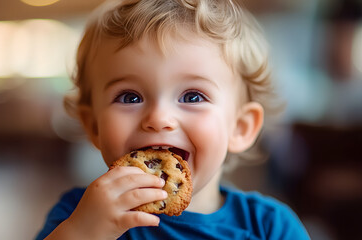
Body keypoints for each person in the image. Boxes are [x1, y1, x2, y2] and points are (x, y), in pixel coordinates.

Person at [36, 0, 310, 239]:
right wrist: (83, 234)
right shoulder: (78, 216)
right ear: (93, 125)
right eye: (130, 97)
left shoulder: (270, 228)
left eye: (192, 97)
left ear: (240, 127)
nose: (159, 118)